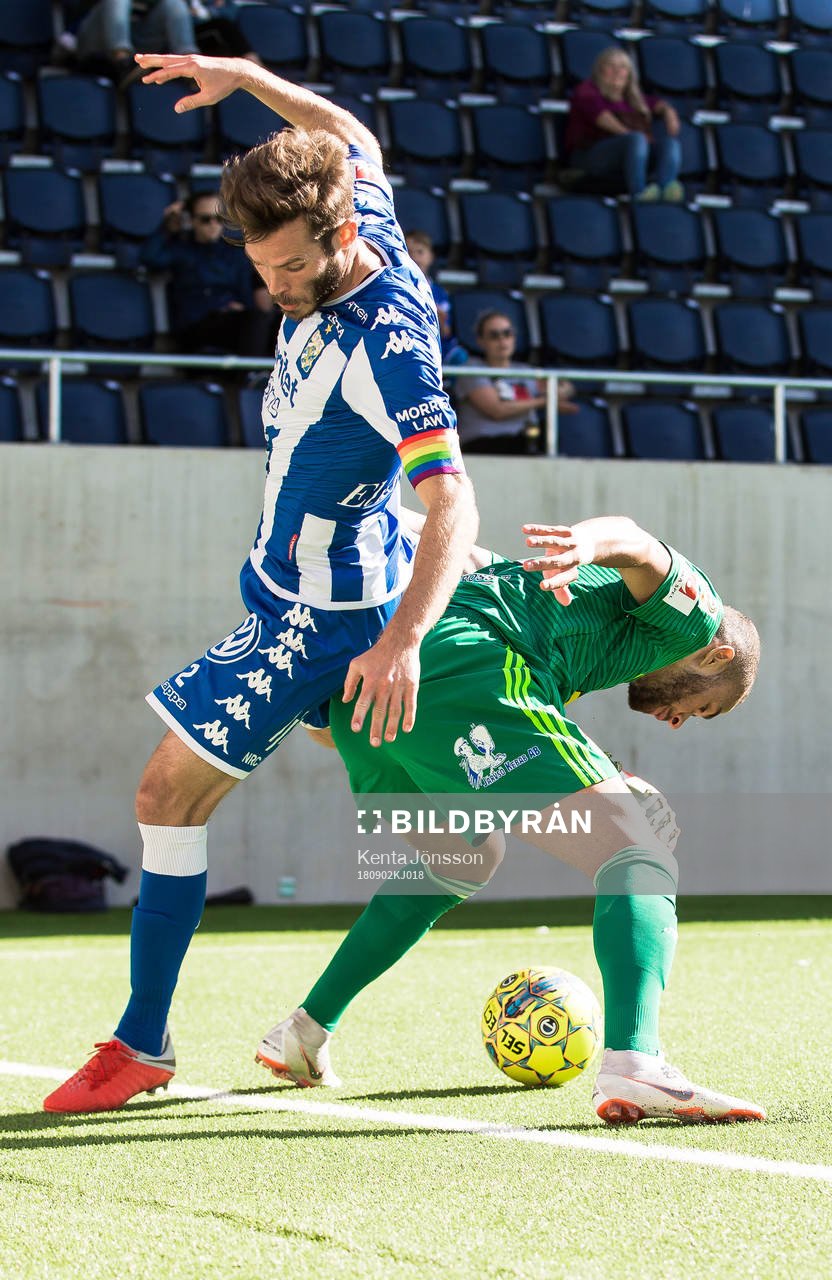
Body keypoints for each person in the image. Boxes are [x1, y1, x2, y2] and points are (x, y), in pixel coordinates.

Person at [43, 53, 479, 1116]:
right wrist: (241, 75)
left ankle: (141, 1043)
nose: (268, 288)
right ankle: (437, 846)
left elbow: (454, 507)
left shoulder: (393, 351)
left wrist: (399, 642)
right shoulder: (351, 200)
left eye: (285, 270)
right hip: (304, 592)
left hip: (321, 621)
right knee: (437, 828)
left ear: (338, 242)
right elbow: (349, 129)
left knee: (162, 793)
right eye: (258, 264)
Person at [257, 515, 766, 1126]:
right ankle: (636, 1062)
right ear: (717, 656)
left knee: (463, 858)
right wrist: (590, 543)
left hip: (372, 707)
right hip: (464, 670)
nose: (681, 719)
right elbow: (637, 542)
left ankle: (304, 1031)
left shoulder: (570, 622)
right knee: (640, 850)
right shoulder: (696, 619)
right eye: (702, 706)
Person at [141, 190, 275, 357]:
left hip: (235, 321)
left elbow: (245, 292)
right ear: (191, 221)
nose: (213, 225)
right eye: (205, 219)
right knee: (255, 320)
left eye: (219, 219)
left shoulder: (235, 254)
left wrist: (241, 308)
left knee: (281, 322)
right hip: (197, 325)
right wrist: (167, 227)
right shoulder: (181, 249)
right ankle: (251, 376)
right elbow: (150, 258)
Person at [563, 47, 684, 203]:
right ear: (599, 69)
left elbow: (657, 104)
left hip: (629, 155)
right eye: (610, 66)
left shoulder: (633, 98)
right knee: (636, 139)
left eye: (623, 67)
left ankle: (664, 191)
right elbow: (601, 118)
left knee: (670, 144)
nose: (617, 71)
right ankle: (638, 193)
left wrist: (669, 112)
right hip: (590, 156)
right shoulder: (587, 91)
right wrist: (633, 137)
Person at [455, 311, 576, 455]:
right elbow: (497, 410)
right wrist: (545, 401)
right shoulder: (471, 369)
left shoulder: (525, 371)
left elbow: (567, 388)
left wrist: (558, 392)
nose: (502, 340)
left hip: (522, 443)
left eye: (507, 333)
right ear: (480, 341)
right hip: (482, 445)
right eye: (494, 335)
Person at [74, 0, 199, 86]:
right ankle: (122, 62)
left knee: (174, 4)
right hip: (96, 39)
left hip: (136, 41)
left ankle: (191, 67)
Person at [404, 230, 468, 367]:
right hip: (407, 342)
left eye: (420, 252)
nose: (414, 257)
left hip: (436, 346)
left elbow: (446, 332)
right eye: (408, 252)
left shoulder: (440, 293)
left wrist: (440, 320)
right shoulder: (396, 287)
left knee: (459, 356)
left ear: (431, 257)